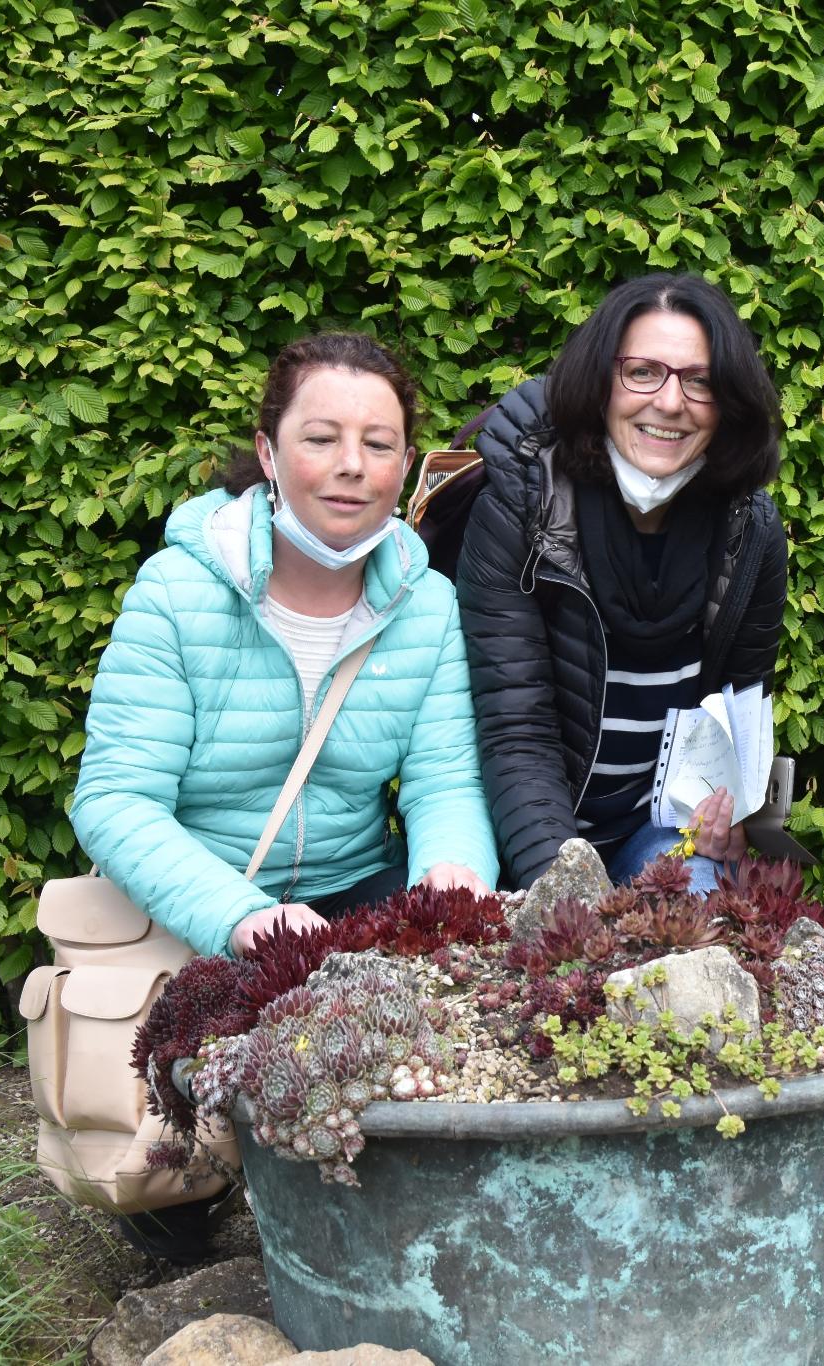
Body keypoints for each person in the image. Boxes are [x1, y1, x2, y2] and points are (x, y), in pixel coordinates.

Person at [71, 331, 499, 1257]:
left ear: (406, 463)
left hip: (347, 891)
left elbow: (445, 781)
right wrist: (244, 919)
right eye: (321, 438)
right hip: (198, 904)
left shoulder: (424, 606)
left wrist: (451, 888)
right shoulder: (177, 592)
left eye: (379, 444)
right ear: (268, 453)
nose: (352, 467)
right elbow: (115, 799)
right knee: (175, 1195)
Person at [456, 274, 788, 890]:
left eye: (700, 381)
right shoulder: (521, 507)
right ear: (601, 382)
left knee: (703, 935)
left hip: (657, 830)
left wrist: (730, 816)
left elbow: (739, 710)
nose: (669, 402)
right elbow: (515, 730)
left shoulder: (751, 529)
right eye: (642, 371)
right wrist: (566, 892)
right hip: (522, 837)